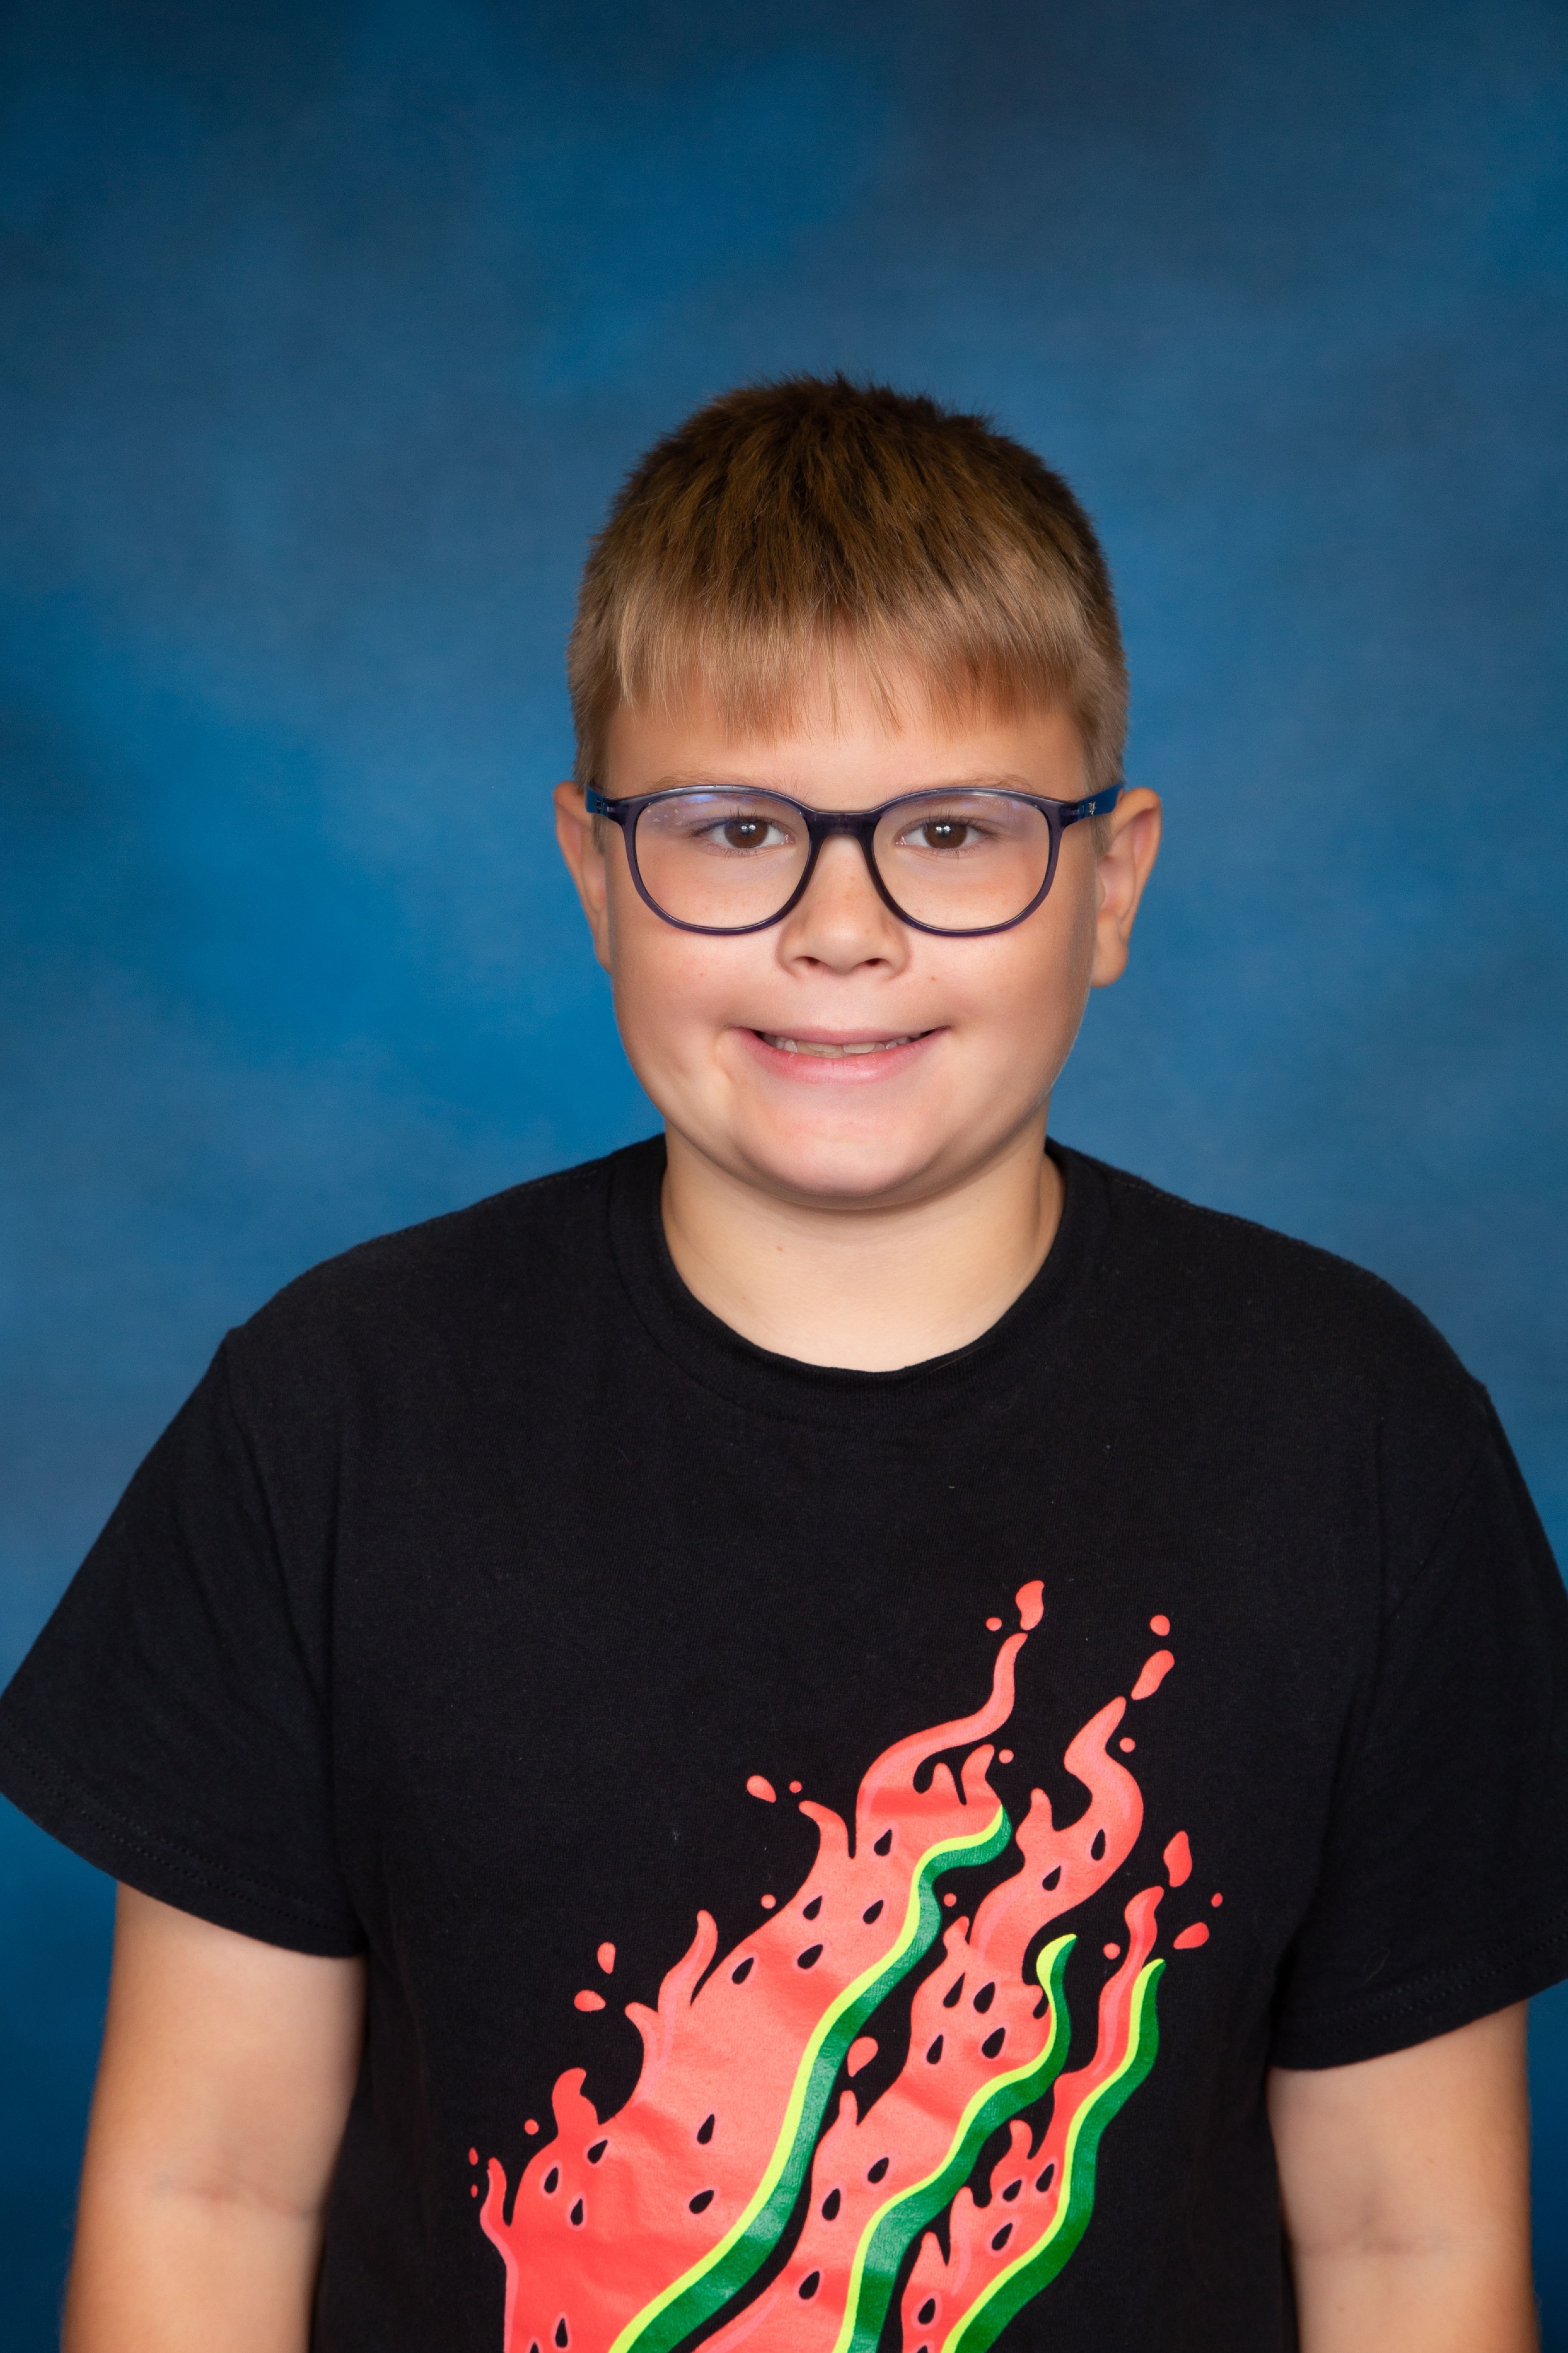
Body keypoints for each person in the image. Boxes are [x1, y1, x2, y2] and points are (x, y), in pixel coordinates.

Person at [2, 376, 1564, 2353]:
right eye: (736, 831)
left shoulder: (1354, 1434)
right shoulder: (331, 1416)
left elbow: (1407, 2244)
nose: (841, 930)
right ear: (593, 874)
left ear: (1110, 884)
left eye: (954, 833)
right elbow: (205, 2189)